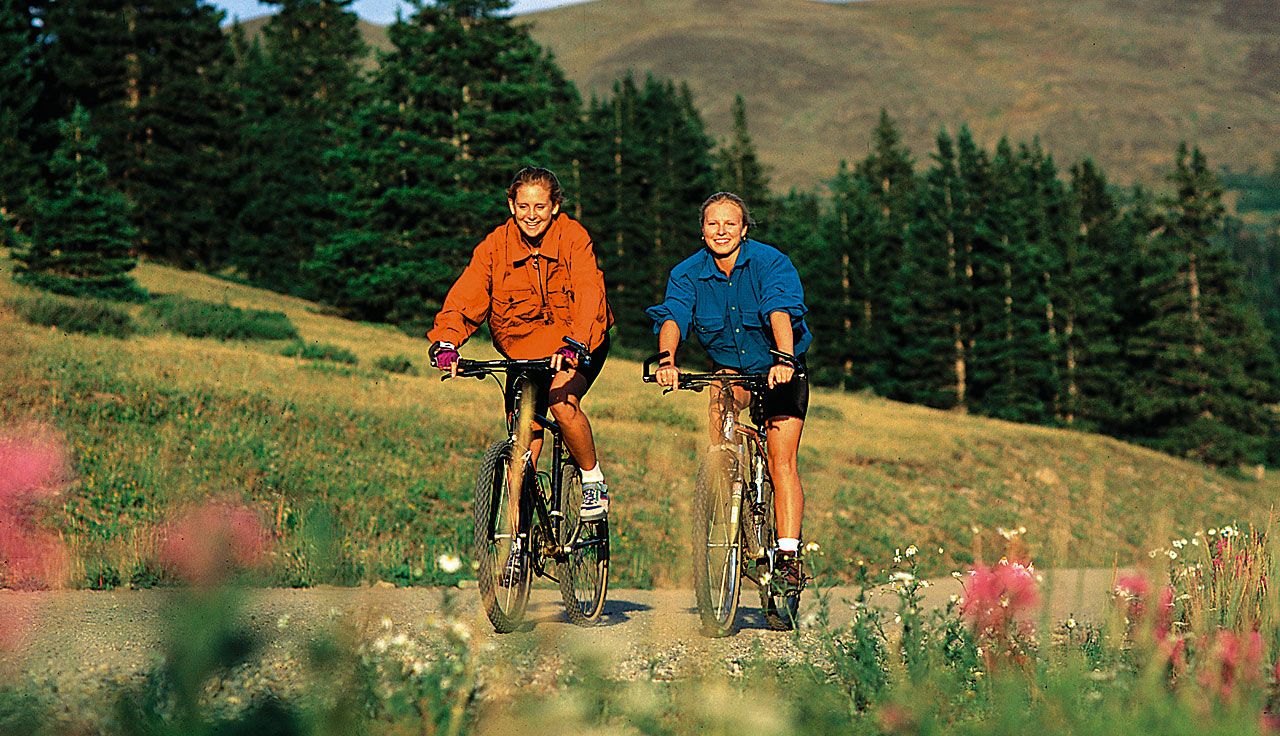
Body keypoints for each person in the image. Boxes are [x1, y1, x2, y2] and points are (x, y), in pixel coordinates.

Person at [428, 167, 614, 579]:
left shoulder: (573, 237)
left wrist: (576, 341)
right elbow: (468, 294)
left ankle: (592, 479)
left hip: (580, 342)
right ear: (511, 206)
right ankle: (518, 543)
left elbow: (588, 292)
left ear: (555, 207)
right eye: (523, 206)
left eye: (541, 206)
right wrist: (446, 342)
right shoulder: (494, 247)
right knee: (521, 446)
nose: (532, 214)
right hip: (524, 354)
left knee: (562, 405)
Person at [646, 191, 812, 589]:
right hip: (731, 370)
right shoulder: (687, 273)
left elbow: (778, 310)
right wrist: (666, 359)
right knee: (719, 408)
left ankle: (787, 556)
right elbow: (674, 315)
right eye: (712, 224)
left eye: (730, 224)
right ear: (702, 231)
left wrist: (784, 360)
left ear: (743, 228)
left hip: (780, 366)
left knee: (781, 460)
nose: (721, 231)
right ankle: (727, 489)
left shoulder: (771, 262)